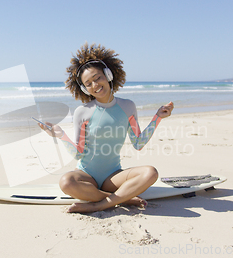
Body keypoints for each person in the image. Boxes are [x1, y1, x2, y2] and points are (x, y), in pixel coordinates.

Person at [38, 43, 174, 213]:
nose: (95, 85)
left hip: (113, 176)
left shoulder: (128, 107)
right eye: (88, 83)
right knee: (66, 182)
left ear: (108, 75)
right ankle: (124, 198)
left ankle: (100, 203)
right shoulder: (83, 112)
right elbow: (79, 153)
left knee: (151, 173)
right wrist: (61, 135)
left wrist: (157, 118)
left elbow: (138, 143)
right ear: (84, 89)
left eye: (97, 78)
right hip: (86, 175)